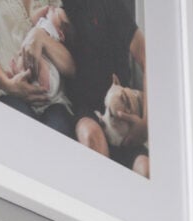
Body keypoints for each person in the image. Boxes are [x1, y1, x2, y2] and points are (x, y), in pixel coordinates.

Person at [61, 0, 149, 175]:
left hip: (122, 108)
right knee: (91, 136)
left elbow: (147, 57)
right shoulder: (58, 8)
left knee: (145, 168)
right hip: (84, 111)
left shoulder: (109, 5)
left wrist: (146, 124)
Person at [0, 0, 75, 136]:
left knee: (58, 136)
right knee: (23, 135)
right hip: (5, 90)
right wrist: (9, 85)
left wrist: (41, 37)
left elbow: (71, 68)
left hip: (52, 98)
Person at [8, 6, 75, 111]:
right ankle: (19, 72)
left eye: (56, 12)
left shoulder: (55, 34)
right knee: (23, 55)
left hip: (47, 68)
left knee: (39, 61)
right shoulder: (44, 21)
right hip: (30, 56)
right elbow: (32, 19)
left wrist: (42, 38)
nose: (53, 9)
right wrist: (45, 10)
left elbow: (71, 67)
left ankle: (43, 85)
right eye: (54, 9)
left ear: (61, 34)